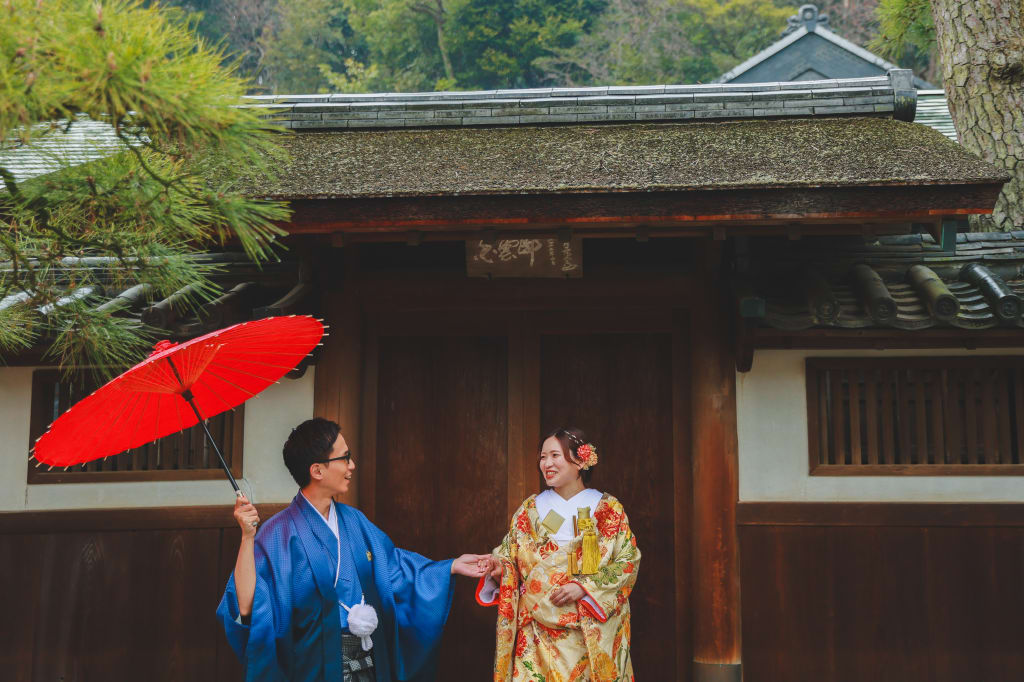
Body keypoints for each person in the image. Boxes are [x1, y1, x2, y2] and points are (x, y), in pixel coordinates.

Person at [217, 417, 488, 681]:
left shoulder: (354, 521)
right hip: (313, 668)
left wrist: (449, 567)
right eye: (345, 458)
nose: (352, 465)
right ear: (317, 470)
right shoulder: (278, 534)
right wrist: (247, 538)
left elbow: (394, 569)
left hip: (369, 661)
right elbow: (250, 605)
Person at [477, 428, 640, 682]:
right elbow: (509, 555)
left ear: (580, 461)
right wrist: (501, 568)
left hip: (586, 633)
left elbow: (628, 561)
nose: (547, 463)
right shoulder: (530, 510)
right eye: (543, 456)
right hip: (535, 633)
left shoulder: (607, 509)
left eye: (555, 455)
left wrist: (585, 587)